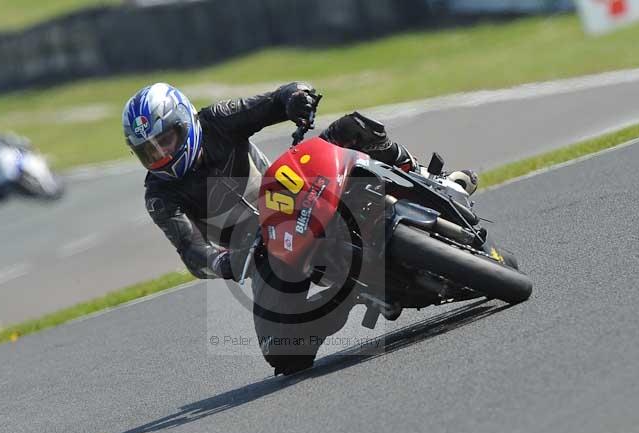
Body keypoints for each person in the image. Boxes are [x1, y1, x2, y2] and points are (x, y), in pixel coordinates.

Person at [122, 82, 477, 375]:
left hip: (286, 193)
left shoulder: (217, 120)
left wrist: (296, 99)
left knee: (352, 128)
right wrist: (223, 262)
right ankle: (347, 297)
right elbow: (191, 250)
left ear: (184, 121)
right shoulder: (160, 195)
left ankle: (429, 179)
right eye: (148, 152)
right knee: (283, 355)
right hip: (259, 250)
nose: (160, 156)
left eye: (164, 141)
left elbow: (275, 100)